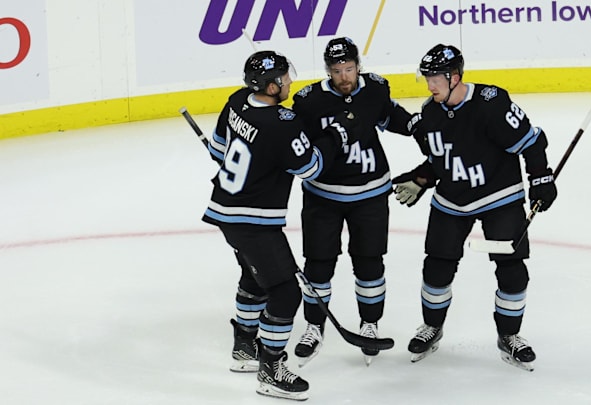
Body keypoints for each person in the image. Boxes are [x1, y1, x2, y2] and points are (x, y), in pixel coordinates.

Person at [391, 44, 558, 371]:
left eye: (435, 78)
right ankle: (432, 326)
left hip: (500, 197)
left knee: (512, 270)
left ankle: (509, 335)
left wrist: (540, 178)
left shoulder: (491, 104)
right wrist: (422, 178)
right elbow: (442, 160)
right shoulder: (431, 112)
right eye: (426, 78)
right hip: (451, 202)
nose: (429, 85)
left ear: (454, 76)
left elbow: (532, 141)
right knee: (436, 269)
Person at [201, 50, 355, 400]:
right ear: (271, 86)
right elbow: (311, 167)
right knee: (285, 292)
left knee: (255, 278)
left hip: (227, 211)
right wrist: (337, 136)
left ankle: (244, 347)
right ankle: (272, 368)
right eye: (284, 77)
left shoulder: (237, 101)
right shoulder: (282, 123)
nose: (289, 81)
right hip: (253, 220)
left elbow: (217, 150)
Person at [291, 37, 415, 366]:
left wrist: (422, 124)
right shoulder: (308, 101)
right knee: (318, 264)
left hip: (371, 195)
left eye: (349, 69)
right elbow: (293, 145)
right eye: (336, 71)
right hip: (322, 196)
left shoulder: (375, 90)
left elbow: (392, 118)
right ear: (327, 71)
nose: (344, 77)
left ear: (359, 66)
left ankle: (370, 324)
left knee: (369, 263)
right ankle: (314, 326)